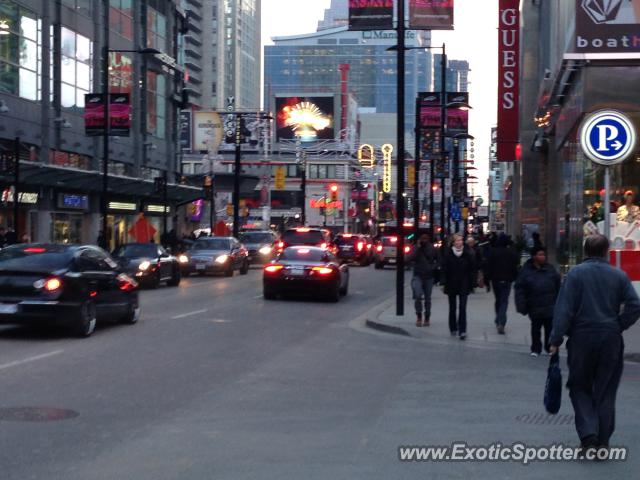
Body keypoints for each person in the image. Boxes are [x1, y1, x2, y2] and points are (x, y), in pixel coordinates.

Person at [550, 234, 640, 452]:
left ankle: (588, 433)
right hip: (610, 337)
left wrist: (556, 338)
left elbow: (564, 309)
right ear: (606, 251)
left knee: (579, 385)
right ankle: (603, 439)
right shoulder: (618, 275)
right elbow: (635, 305)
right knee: (606, 389)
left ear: (586, 252)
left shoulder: (575, 275)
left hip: (581, 336)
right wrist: (619, 324)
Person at [514, 246, 561, 356]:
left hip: (549, 304)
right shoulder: (526, 271)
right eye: (540, 255)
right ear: (534, 256)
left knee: (549, 328)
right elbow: (520, 289)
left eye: (544, 255)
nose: (542, 257)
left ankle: (549, 346)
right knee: (536, 328)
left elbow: (558, 286)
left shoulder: (550, 269)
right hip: (534, 304)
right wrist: (521, 305)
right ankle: (536, 348)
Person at [441, 233, 476, 340]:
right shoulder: (448, 254)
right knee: (452, 308)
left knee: (462, 307)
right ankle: (453, 328)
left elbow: (472, 270)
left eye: (461, 240)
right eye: (457, 241)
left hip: (464, 283)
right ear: (453, 242)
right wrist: (443, 282)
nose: (459, 242)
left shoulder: (467, 254)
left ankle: (462, 330)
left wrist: (472, 283)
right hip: (451, 283)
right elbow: (444, 269)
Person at [485, 233, 520, 334]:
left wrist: (487, 281)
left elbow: (488, 267)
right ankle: (501, 322)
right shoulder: (511, 252)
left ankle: (498, 319)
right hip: (507, 280)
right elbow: (516, 265)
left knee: (498, 300)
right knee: (504, 301)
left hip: (496, 280)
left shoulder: (493, 252)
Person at [409, 234, 439, 327]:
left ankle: (427, 317)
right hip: (418, 275)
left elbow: (439, 260)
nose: (424, 241)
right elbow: (410, 258)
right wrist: (418, 248)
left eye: (425, 239)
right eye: (422, 239)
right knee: (418, 295)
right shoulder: (416, 248)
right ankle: (419, 316)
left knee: (427, 298)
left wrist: (432, 267)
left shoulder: (432, 248)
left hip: (428, 276)